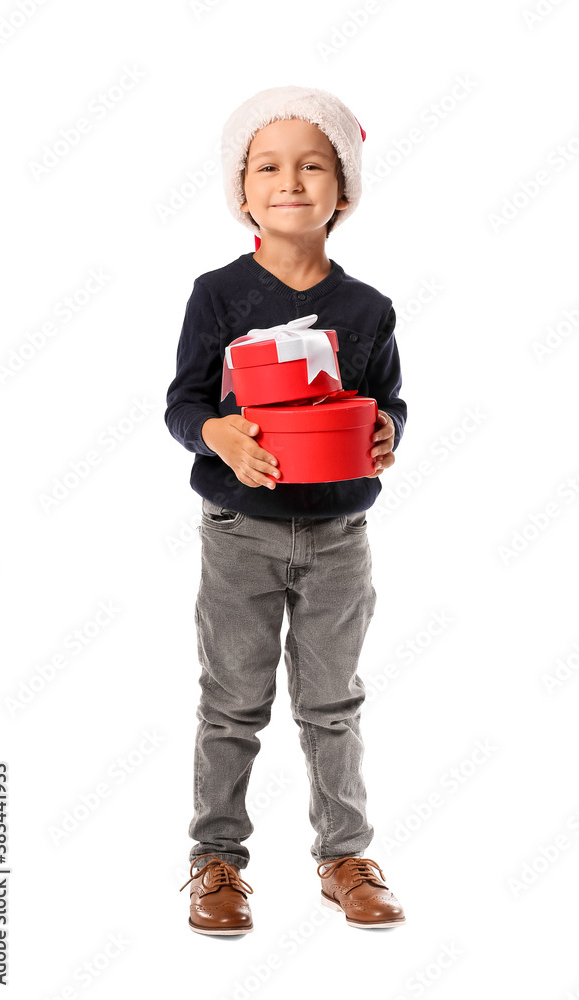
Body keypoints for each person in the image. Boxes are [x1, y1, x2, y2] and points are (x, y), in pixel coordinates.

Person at [165, 86, 408, 936]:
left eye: (314, 165)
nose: (291, 180)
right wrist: (218, 436)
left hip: (342, 536)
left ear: (344, 190)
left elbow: (387, 404)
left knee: (331, 701)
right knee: (231, 703)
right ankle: (217, 862)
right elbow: (182, 405)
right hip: (240, 534)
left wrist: (386, 430)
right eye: (268, 166)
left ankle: (345, 856)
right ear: (242, 192)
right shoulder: (218, 296)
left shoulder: (367, 309)